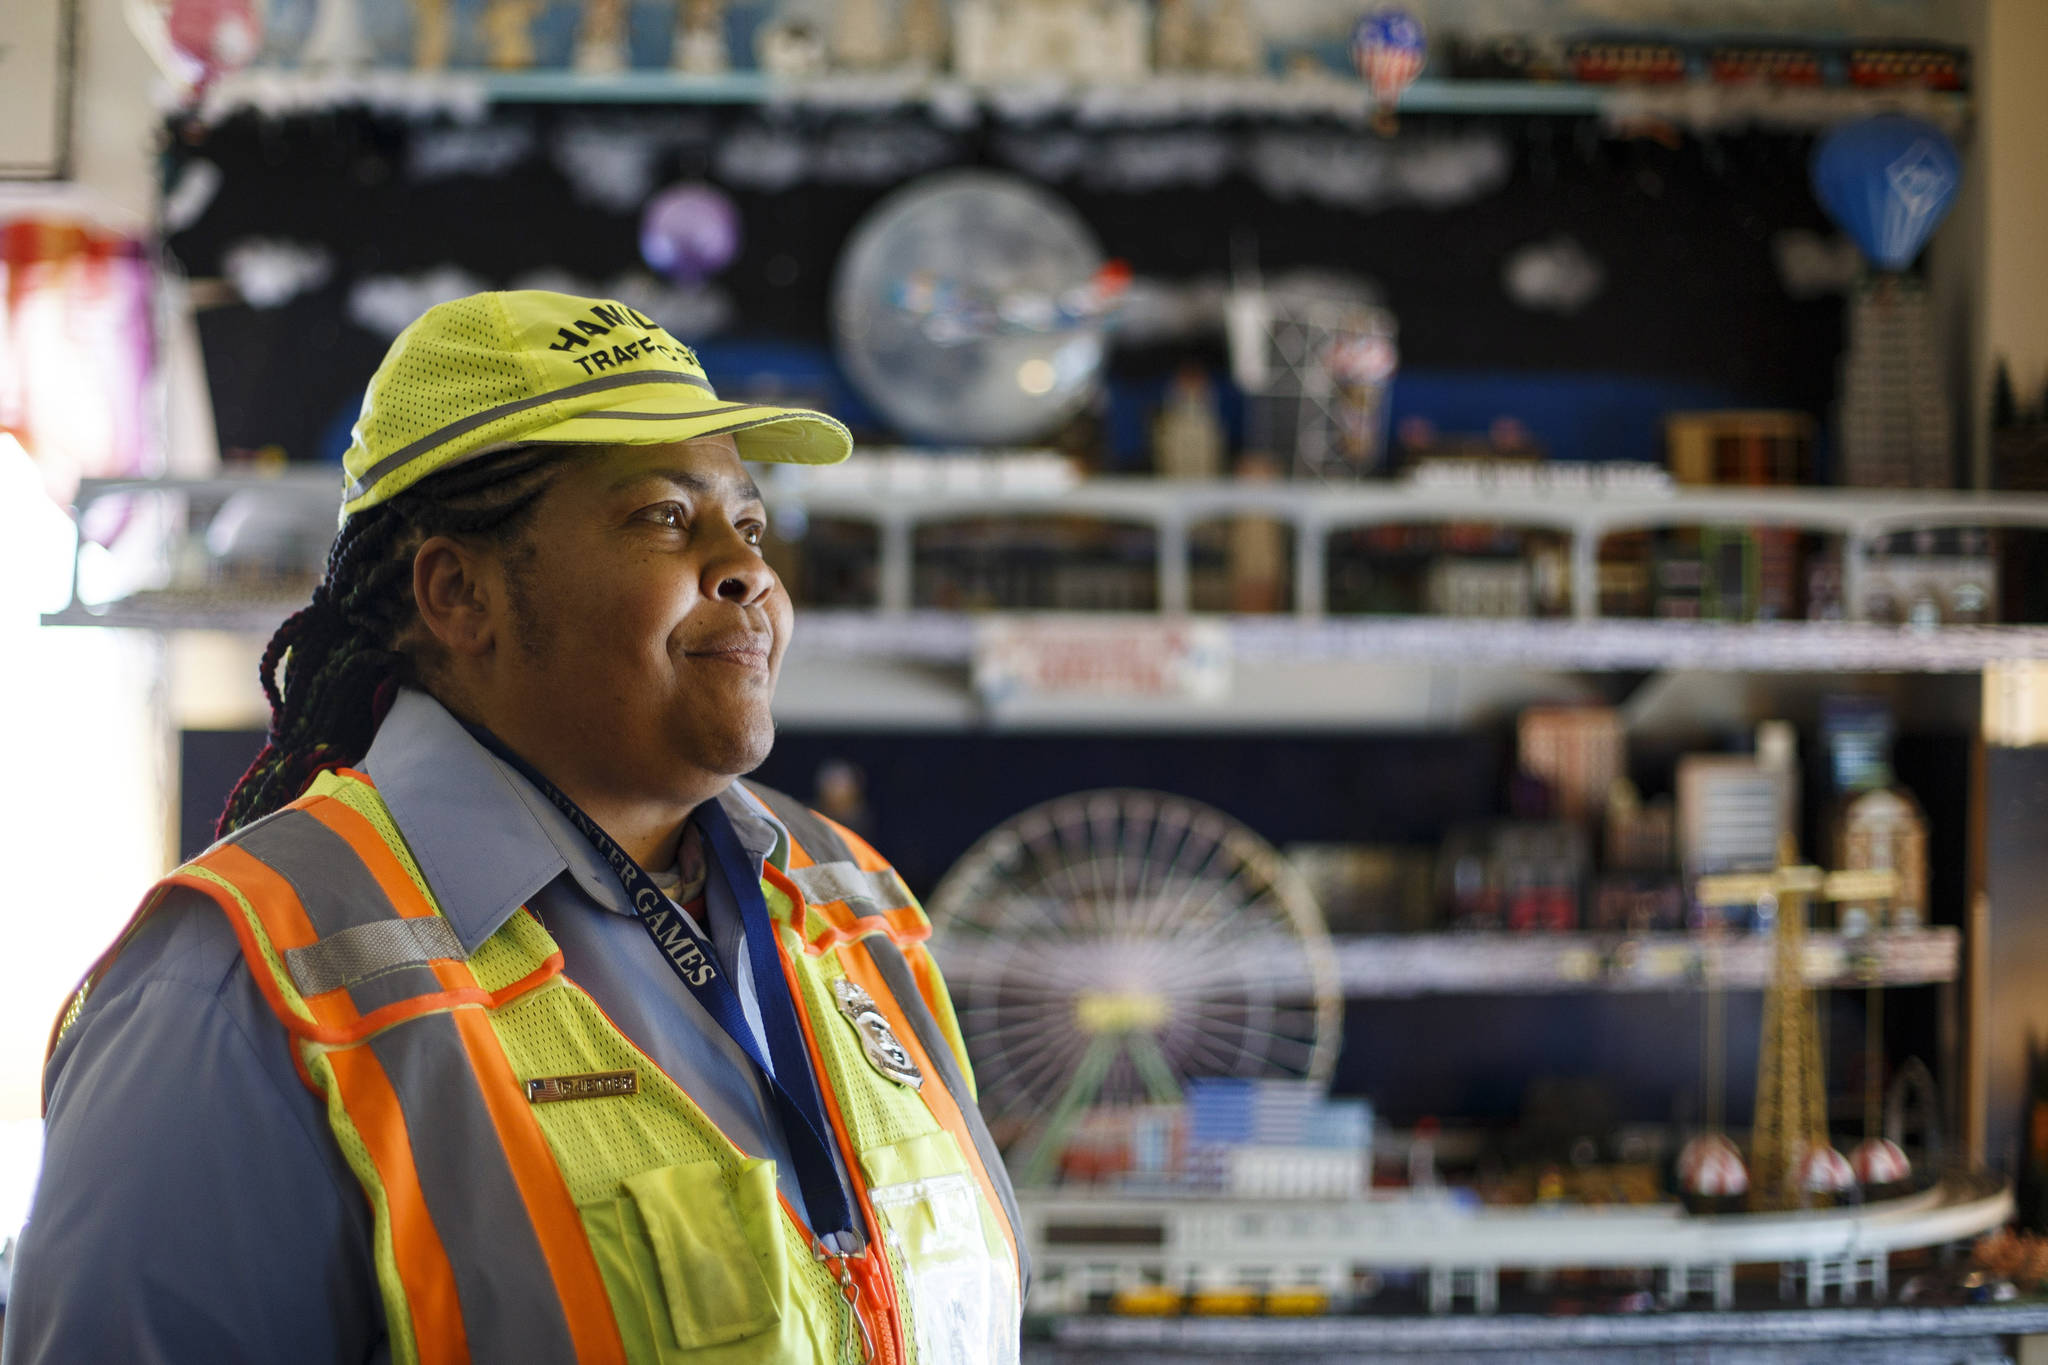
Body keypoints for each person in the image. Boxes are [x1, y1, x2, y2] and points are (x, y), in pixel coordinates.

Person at [4, 291, 1024, 1365]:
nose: (749, 569)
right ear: (459, 593)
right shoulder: (238, 989)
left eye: (750, 523)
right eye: (666, 518)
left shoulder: (850, 901)